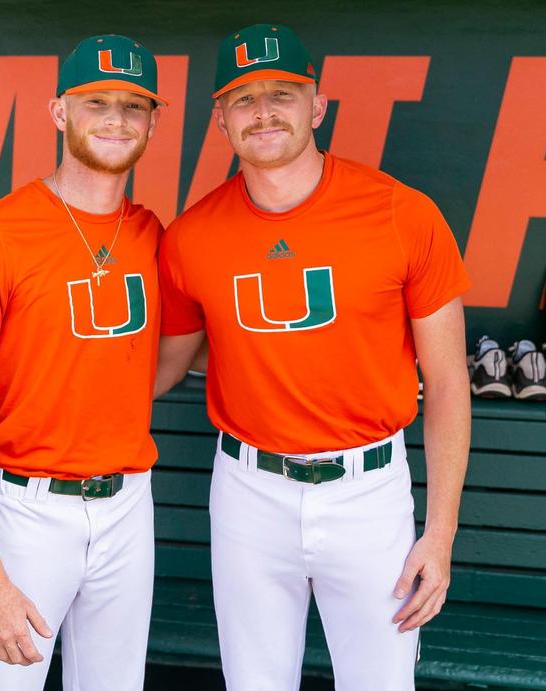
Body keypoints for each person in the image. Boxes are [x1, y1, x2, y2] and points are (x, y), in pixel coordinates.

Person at [155, 23, 471, 690]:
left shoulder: (402, 214)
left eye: (282, 93)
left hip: (370, 491)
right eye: (242, 99)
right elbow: (164, 367)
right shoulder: (190, 237)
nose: (262, 112)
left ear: (317, 106)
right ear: (219, 119)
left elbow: (446, 384)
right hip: (248, 489)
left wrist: (438, 534)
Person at [0, 34, 166, 691]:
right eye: (96, 102)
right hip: (25, 510)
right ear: (60, 112)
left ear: (154, 121)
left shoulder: (152, 236)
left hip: (126, 504)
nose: (116, 118)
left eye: (132, 105)